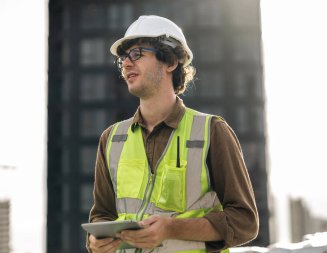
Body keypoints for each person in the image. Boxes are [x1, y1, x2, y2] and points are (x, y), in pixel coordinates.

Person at [87, 15, 259, 253]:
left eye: (136, 54)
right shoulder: (112, 139)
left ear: (170, 61)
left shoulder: (212, 132)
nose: (126, 64)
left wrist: (171, 228)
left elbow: (244, 223)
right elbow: (102, 215)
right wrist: (97, 242)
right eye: (123, 58)